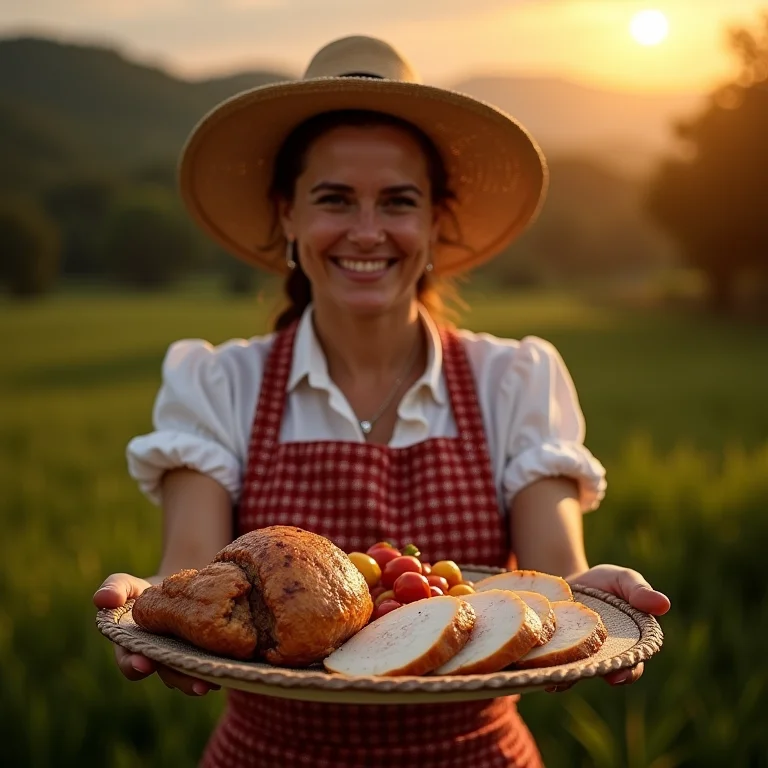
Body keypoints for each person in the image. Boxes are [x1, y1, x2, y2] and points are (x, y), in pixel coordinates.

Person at [93, 35, 671, 768]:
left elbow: (555, 581)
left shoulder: (513, 378)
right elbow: (193, 575)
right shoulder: (220, 385)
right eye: (334, 199)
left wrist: (591, 604)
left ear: (436, 222)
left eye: (398, 202)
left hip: (477, 755)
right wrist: (149, 606)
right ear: (288, 216)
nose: (367, 232)